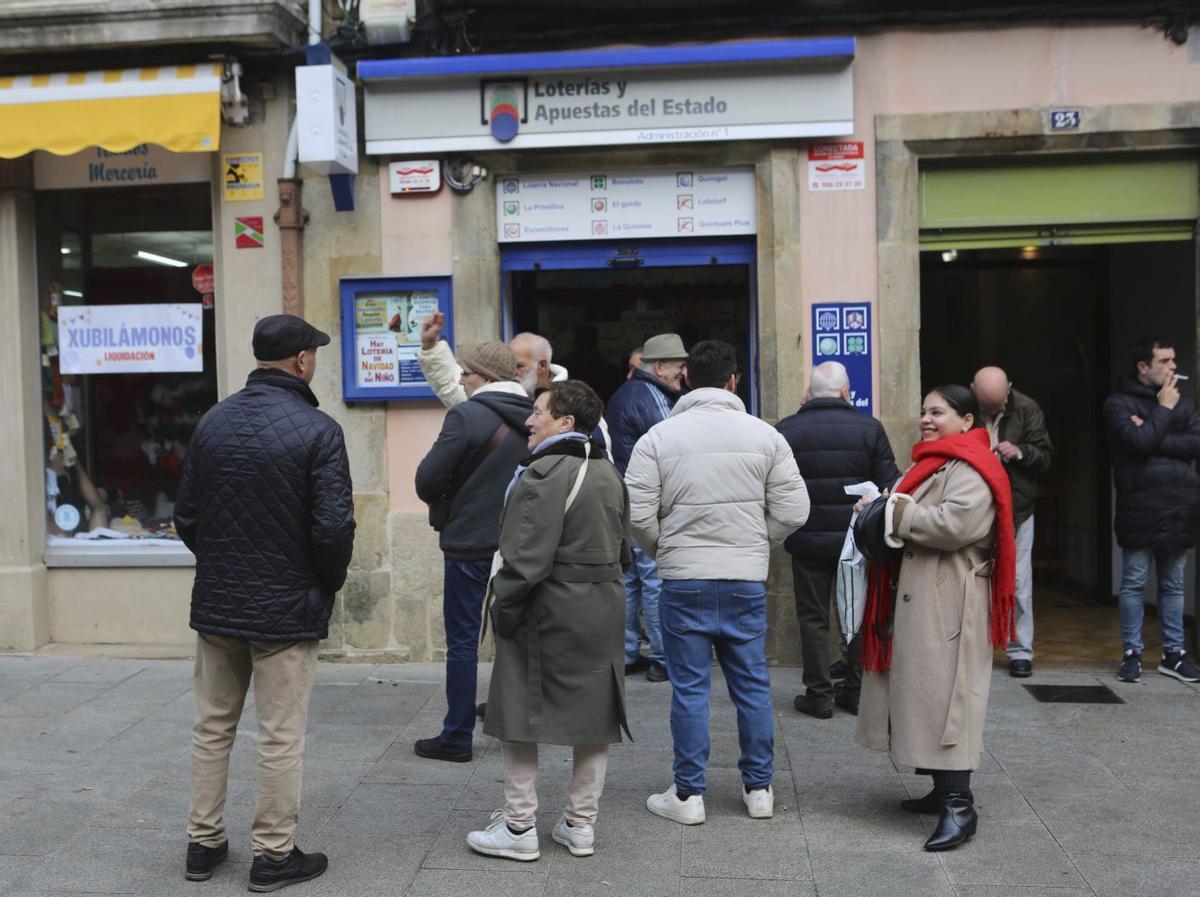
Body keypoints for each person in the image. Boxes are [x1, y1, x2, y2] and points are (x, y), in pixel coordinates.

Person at [174, 314, 355, 891]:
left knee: (212, 726)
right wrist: (326, 582)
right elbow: (332, 529)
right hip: (285, 604)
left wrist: (222, 562)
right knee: (279, 734)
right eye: (315, 354)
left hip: (221, 599)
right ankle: (273, 855)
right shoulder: (318, 430)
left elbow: (186, 517)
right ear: (302, 361)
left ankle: (202, 844)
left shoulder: (213, 421)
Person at [625, 340, 810, 825]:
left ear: (686, 379)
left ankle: (688, 795)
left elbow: (637, 515)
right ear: (734, 381)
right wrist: (753, 543)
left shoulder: (658, 438)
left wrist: (666, 549)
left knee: (689, 689)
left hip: (684, 580)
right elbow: (794, 510)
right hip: (743, 579)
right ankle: (759, 789)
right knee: (752, 685)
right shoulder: (765, 436)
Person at [467, 381, 630, 861]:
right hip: (602, 607)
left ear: (566, 423)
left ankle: (518, 829)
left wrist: (504, 610)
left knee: (518, 713)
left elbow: (524, 562)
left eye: (539, 412)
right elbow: (624, 550)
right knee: (595, 717)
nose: (529, 421)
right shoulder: (607, 472)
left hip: (547, 608)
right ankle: (581, 825)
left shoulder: (541, 473)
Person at [855, 385, 1015, 852]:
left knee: (950, 701)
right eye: (924, 410)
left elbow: (957, 525)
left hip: (951, 604)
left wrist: (895, 511)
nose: (926, 419)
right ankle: (940, 790)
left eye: (938, 412)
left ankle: (959, 807)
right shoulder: (938, 460)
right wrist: (879, 509)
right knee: (927, 695)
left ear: (967, 420)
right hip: (928, 597)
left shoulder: (973, 466)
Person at [413, 342, 533, 762]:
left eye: (466, 373)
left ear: (483, 376)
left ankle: (457, 735)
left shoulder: (466, 415)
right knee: (515, 637)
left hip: (469, 542)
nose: (462, 379)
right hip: (522, 544)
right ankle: (514, 725)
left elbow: (427, 480)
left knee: (463, 640)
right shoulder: (538, 415)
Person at [776, 361, 900, 718]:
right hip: (855, 542)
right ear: (846, 392)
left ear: (810, 393)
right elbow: (890, 483)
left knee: (813, 617)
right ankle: (856, 692)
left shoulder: (787, 429)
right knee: (855, 613)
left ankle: (818, 695)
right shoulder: (870, 428)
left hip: (807, 540)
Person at [1103, 338, 1200, 684]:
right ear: (1143, 367)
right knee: (1134, 582)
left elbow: (1195, 443)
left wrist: (1153, 431)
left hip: (1180, 505)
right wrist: (1164, 412)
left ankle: (1173, 654)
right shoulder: (1117, 404)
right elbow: (1137, 444)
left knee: (1173, 585)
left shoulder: (1183, 404)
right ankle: (1132, 653)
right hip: (1140, 506)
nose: (1173, 367)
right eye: (1165, 360)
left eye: (1174, 360)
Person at [604, 333, 689, 683]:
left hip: (625, 500)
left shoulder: (629, 393)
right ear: (659, 367)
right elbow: (674, 449)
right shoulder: (651, 397)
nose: (683, 372)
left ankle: (626, 654)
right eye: (679, 365)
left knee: (630, 580)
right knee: (653, 581)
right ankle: (661, 657)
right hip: (647, 503)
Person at [417, 312, 611, 454]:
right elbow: (456, 387)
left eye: (519, 366)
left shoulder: (577, 404)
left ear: (542, 366)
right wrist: (431, 347)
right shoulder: (500, 396)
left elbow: (599, 458)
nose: (512, 372)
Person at [971, 366, 1053, 678]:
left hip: (1018, 508)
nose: (990, 409)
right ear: (973, 392)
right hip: (975, 507)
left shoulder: (1027, 408)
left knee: (1018, 582)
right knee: (973, 579)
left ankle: (1020, 650)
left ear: (1009, 389)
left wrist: (1019, 452)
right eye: (985, 404)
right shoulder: (965, 408)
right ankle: (975, 648)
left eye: (997, 403)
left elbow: (1045, 456)